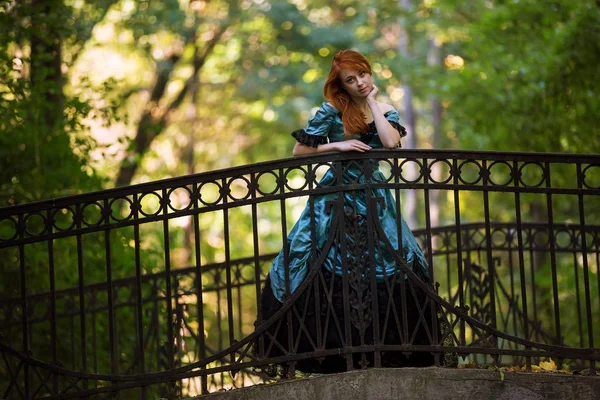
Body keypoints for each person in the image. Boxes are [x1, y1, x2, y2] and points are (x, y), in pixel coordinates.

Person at [254, 50, 444, 375]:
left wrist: (372, 103)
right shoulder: (332, 110)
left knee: (395, 256)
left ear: (369, 73)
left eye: (362, 75)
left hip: (374, 197)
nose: (358, 83)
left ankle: (386, 349)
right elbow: (300, 150)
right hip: (335, 197)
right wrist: (336, 146)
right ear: (341, 85)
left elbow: (390, 143)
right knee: (307, 256)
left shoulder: (385, 110)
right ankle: (331, 353)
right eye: (350, 80)